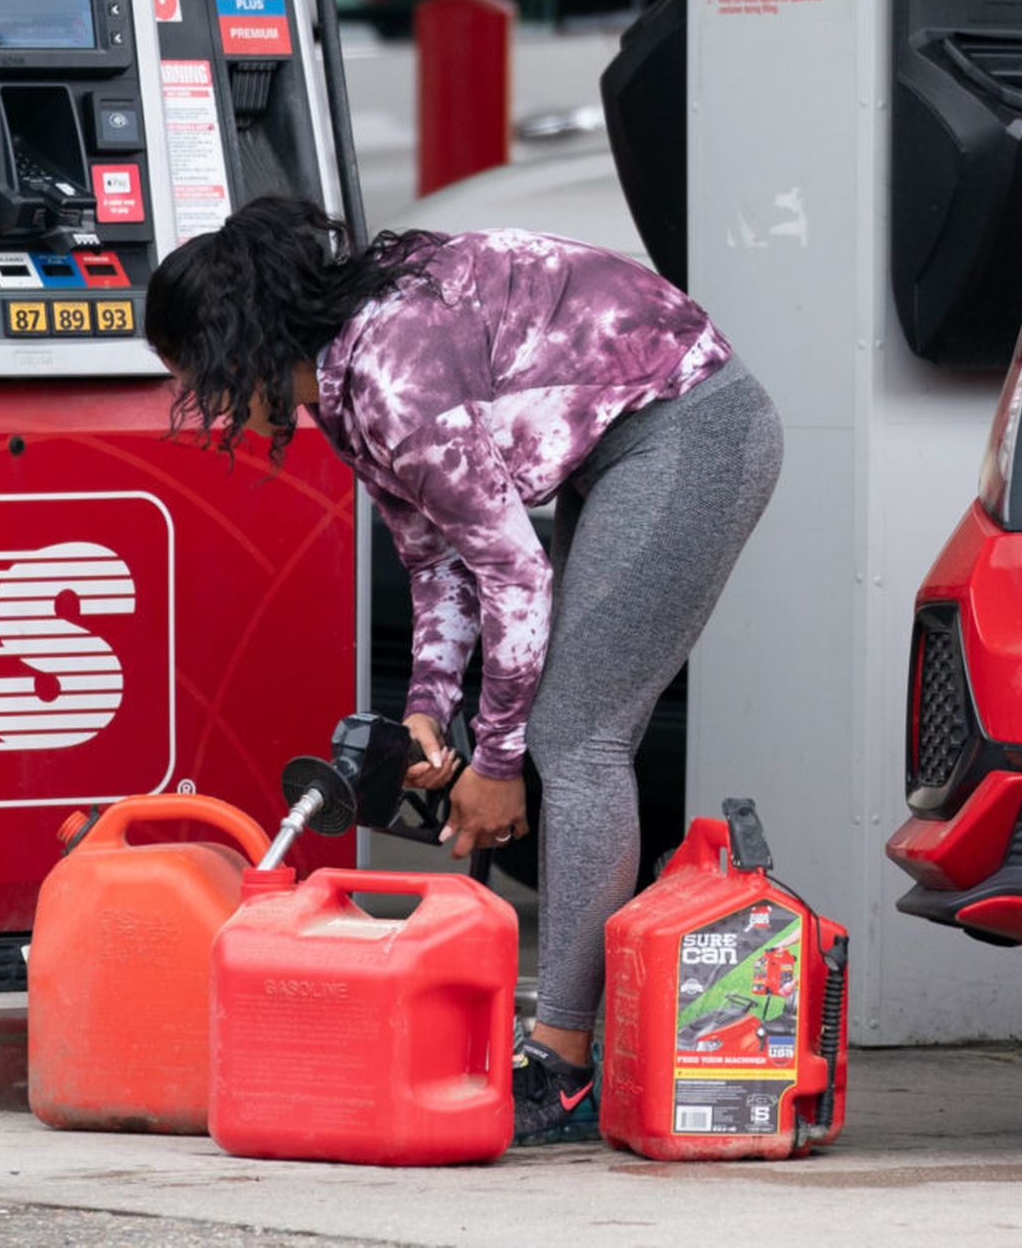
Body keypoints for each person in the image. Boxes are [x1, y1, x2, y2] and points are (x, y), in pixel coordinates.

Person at [146, 196, 783, 1145]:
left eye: (205, 378)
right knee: (566, 731)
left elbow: (512, 567)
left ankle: (562, 1066)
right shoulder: (347, 379)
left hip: (692, 431)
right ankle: (564, 1048)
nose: (218, 408)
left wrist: (493, 763)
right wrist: (429, 717)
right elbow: (434, 559)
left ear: (239, 345)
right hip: (619, 449)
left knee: (576, 743)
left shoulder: (393, 379)